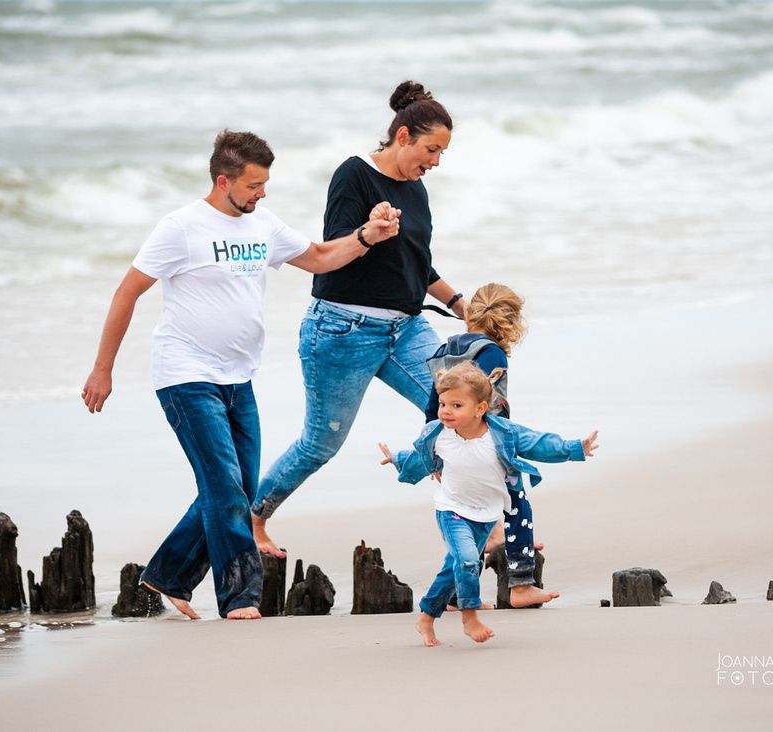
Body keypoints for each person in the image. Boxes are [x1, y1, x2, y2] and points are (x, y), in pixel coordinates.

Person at [81, 130, 401, 620]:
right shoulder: (181, 228)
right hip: (185, 374)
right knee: (226, 488)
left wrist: (365, 237)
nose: (262, 194)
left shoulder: (263, 224)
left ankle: (168, 575)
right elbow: (127, 292)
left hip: (239, 377)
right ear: (223, 179)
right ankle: (240, 597)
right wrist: (103, 370)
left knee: (236, 489)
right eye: (254, 185)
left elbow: (317, 257)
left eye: (265, 183)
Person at [252, 81, 466, 556]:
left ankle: (478, 540)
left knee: (467, 413)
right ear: (404, 136)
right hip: (343, 331)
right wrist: (369, 232)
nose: (434, 162)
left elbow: (416, 262)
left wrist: (458, 304)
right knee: (320, 445)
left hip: (408, 328)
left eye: (442, 154)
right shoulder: (354, 175)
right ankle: (254, 517)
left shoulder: (417, 191)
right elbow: (332, 250)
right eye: (431, 149)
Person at [379, 362, 599, 646]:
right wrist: (395, 458)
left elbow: (537, 442)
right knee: (469, 561)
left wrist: (574, 448)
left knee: (454, 569)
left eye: (456, 405)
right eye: (443, 403)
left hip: (485, 516)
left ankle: (425, 618)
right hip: (451, 509)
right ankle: (469, 618)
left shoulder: (501, 433)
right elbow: (417, 458)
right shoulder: (438, 434)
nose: (445, 410)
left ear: (480, 408)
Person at [423, 283, 559, 608]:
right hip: (489, 443)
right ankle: (521, 584)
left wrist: (434, 453)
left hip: (453, 447)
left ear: (469, 315)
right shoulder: (492, 353)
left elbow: (433, 405)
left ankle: (456, 595)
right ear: (510, 323)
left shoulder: (444, 351)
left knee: (467, 514)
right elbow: (482, 400)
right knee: (517, 507)